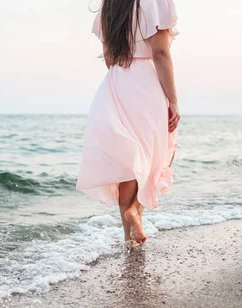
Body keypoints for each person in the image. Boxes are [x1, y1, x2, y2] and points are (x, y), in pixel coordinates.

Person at [76, 0, 180, 248]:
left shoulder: (110, 6)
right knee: (160, 154)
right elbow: (160, 53)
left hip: (116, 82)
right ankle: (135, 209)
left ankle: (130, 239)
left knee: (128, 163)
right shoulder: (154, 2)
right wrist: (173, 100)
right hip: (145, 84)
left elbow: (110, 58)